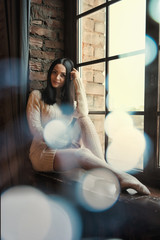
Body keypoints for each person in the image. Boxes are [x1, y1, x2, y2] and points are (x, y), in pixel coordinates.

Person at [26, 57, 150, 195]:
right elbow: (35, 130)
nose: (57, 78)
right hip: (42, 153)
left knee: (84, 119)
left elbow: (83, 112)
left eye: (63, 75)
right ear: (50, 73)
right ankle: (121, 176)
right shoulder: (37, 96)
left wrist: (78, 81)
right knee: (83, 153)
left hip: (62, 151)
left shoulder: (67, 104)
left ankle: (106, 171)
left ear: (68, 79)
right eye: (54, 72)